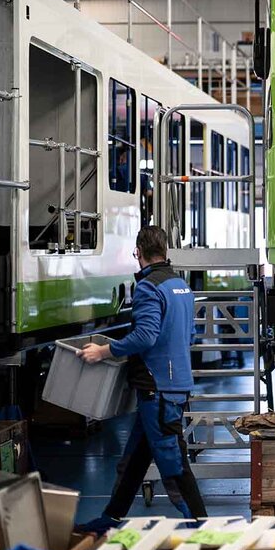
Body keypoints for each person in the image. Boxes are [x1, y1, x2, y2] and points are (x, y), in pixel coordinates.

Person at [74, 225, 206, 532]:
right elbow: (190, 335)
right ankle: (110, 520)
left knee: (172, 464)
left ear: (139, 253)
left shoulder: (149, 287)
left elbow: (145, 336)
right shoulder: (180, 285)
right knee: (133, 461)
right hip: (174, 384)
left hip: (156, 389)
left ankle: (201, 528)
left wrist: (104, 351)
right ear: (165, 251)